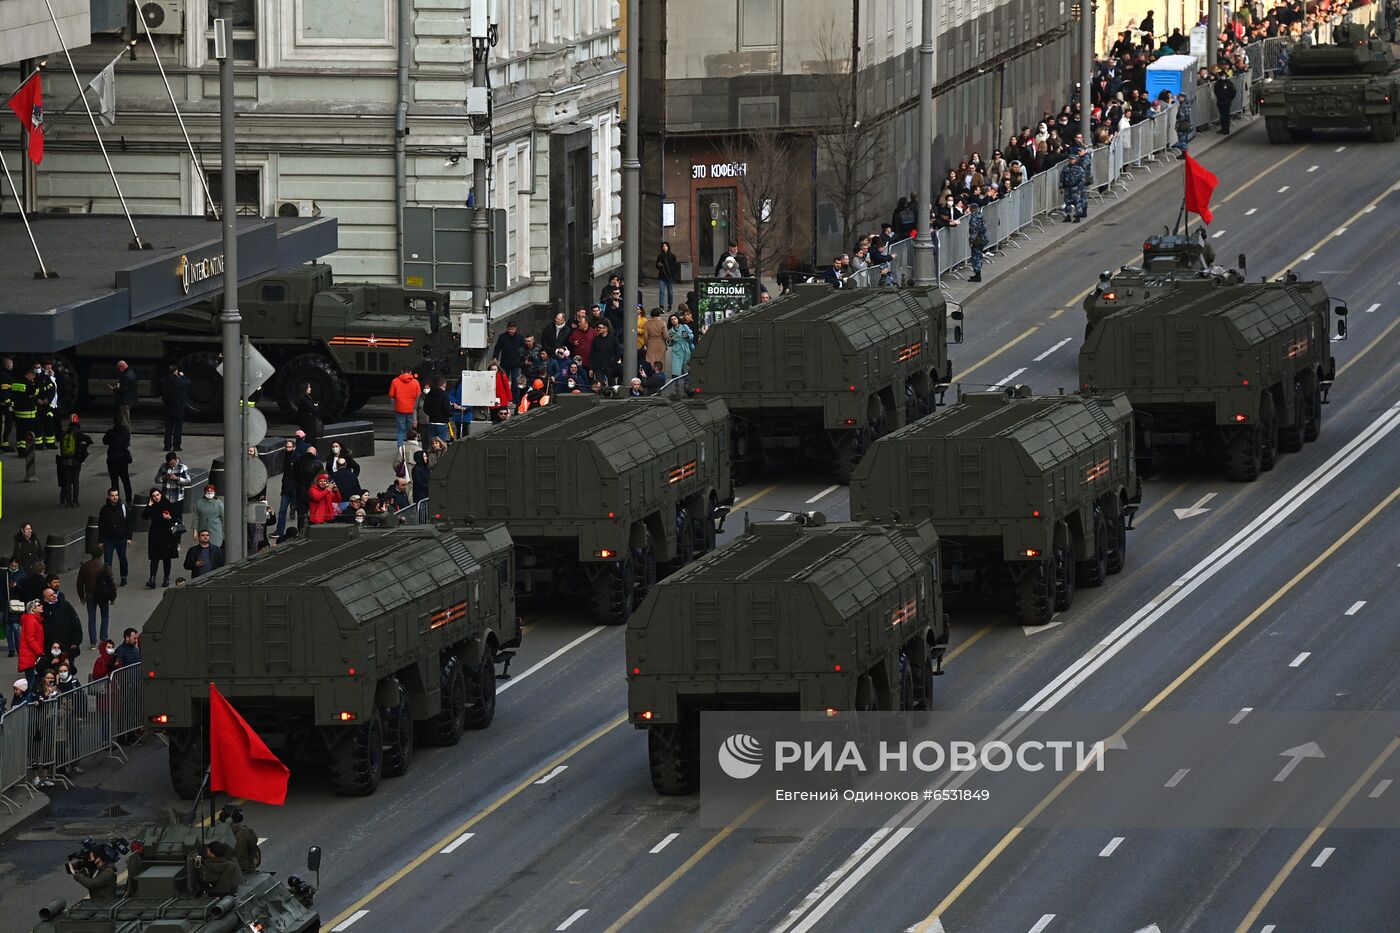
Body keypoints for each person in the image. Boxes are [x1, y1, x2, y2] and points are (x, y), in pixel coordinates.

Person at [76, 548, 117, 648]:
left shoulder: (85, 566)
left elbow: (79, 583)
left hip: (90, 594)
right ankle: (103, 639)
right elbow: (111, 582)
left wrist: (81, 596)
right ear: (101, 554)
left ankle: (93, 642)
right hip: (103, 594)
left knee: (91, 617)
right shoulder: (105, 566)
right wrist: (113, 597)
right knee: (105, 616)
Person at [142, 489, 180, 588]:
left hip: (167, 534)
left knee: (167, 558)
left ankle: (166, 578)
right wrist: (149, 505)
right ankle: (152, 578)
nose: (156, 497)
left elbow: (177, 518)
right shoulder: (152, 506)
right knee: (155, 558)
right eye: (154, 496)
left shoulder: (167, 504)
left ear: (161, 494)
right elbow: (144, 516)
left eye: (157, 495)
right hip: (155, 534)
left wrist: (169, 518)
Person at [96, 488, 133, 588]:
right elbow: (101, 525)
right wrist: (100, 540)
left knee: (123, 559)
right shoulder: (104, 509)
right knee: (108, 561)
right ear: (108, 497)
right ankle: (108, 579)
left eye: (116, 495)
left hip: (121, 538)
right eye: (112, 495)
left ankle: (124, 577)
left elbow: (129, 523)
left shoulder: (123, 508)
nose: (114, 497)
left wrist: (129, 537)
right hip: (108, 539)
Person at [56, 417, 92, 508]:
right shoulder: (79, 435)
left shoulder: (64, 435)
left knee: (67, 481)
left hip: (65, 461)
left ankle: (68, 501)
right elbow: (90, 440)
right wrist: (84, 447)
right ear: (77, 428)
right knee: (76, 481)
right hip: (76, 461)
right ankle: (75, 501)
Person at [41, 586, 83, 662]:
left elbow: (76, 623)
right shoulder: (43, 610)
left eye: (54, 594)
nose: (54, 596)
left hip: (67, 645)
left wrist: (76, 641)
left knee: (69, 668)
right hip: (51, 648)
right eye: (51, 595)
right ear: (45, 598)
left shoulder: (65, 605)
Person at [219, 804, 261, 872]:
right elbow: (253, 843)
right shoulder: (245, 831)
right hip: (243, 867)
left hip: (223, 867)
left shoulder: (217, 831)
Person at [388, 365, 421, 449]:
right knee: (410, 431)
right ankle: (411, 449)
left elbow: (391, 395)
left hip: (399, 409)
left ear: (402, 371)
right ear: (410, 372)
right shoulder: (415, 382)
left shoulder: (395, 381)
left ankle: (400, 450)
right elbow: (419, 395)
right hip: (412, 410)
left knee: (400, 431)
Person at [101, 419, 133, 505]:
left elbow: (104, 441)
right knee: (126, 479)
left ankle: (115, 500)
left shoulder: (111, 433)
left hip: (113, 458)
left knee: (114, 481)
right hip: (123, 458)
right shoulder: (126, 432)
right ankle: (129, 500)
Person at [160, 363, 190, 451]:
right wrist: (182, 376)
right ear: (175, 371)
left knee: (168, 428)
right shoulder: (178, 381)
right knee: (177, 428)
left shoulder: (163, 380)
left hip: (168, 406)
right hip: (178, 407)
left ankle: (167, 446)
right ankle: (176, 446)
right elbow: (188, 382)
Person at [275, 439, 300, 541]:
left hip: (293, 488)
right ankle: (279, 531)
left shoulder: (296, 458)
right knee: (282, 511)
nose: (288, 449)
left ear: (294, 447)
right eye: (287, 447)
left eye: (290, 447)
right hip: (286, 488)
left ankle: (298, 530)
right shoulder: (285, 457)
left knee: (295, 509)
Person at [154, 452, 191, 522]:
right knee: (165, 518)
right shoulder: (163, 466)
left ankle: (177, 532)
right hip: (165, 498)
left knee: (177, 519)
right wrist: (164, 477)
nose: (170, 465)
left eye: (172, 463)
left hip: (177, 498)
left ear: (175, 459)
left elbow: (188, 481)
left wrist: (176, 478)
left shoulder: (183, 467)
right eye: (169, 464)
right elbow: (156, 479)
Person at [18, 600, 45, 689]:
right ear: (33, 609)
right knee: (31, 682)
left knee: (32, 680)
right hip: (30, 655)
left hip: (31, 655)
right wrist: (40, 652)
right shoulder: (31, 620)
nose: (41, 606)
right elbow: (30, 639)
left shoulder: (35, 619)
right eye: (39, 605)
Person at [589, 320, 623, 388]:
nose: (598, 329)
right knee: (599, 384)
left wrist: (614, 363)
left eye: (600, 327)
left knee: (612, 384)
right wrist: (591, 368)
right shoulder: (596, 339)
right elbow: (592, 354)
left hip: (610, 366)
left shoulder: (613, 339)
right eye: (598, 327)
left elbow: (617, 353)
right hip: (598, 366)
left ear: (606, 328)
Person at [191, 484, 225, 550]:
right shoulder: (200, 503)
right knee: (204, 547)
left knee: (215, 548)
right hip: (203, 529)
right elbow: (196, 517)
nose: (209, 493)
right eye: (208, 492)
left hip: (216, 531)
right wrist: (195, 530)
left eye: (211, 492)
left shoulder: (219, 504)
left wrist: (224, 531)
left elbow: (223, 518)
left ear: (214, 492)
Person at [4, 556, 26, 657]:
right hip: (6, 603)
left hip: (17, 603)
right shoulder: (4, 574)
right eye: (12, 565)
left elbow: (24, 589)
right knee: (8, 628)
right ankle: (11, 648)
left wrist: (16, 585)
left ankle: (18, 647)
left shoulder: (22, 575)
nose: (13, 567)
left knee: (16, 627)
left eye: (15, 566)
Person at [422, 376, 452, 444]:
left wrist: (431, 414)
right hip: (442, 422)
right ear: (444, 384)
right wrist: (451, 410)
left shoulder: (429, 394)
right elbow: (447, 409)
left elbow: (425, 408)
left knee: (432, 444)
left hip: (432, 422)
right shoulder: (444, 395)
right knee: (441, 444)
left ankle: (432, 454)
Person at [1059, 151, 1087, 222]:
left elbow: (1082, 179)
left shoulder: (1079, 168)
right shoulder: (1065, 168)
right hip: (1067, 187)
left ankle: (1078, 216)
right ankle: (1068, 215)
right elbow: (1062, 178)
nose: (1071, 160)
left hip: (1075, 187)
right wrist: (1061, 187)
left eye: (1073, 159)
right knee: (1067, 202)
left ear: (1075, 160)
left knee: (1077, 202)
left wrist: (1079, 188)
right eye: (1070, 159)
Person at [109, 360, 138, 427]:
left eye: (119, 368)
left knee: (125, 421)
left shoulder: (125, 376)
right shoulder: (132, 373)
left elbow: (123, 390)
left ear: (121, 367)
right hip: (130, 399)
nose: (119, 370)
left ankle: (126, 435)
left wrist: (115, 389)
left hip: (125, 400)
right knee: (126, 419)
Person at [966, 201, 989, 282]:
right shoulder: (981, 216)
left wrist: (971, 241)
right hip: (982, 239)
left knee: (976, 257)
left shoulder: (974, 218)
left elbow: (974, 231)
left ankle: (977, 274)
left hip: (977, 240)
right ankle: (977, 274)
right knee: (979, 256)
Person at [654, 242, 680, 310]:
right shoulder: (660, 256)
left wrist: (673, 276)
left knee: (670, 292)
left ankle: (670, 305)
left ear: (668, 247)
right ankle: (661, 306)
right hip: (662, 277)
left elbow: (675, 267)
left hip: (669, 277)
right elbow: (657, 266)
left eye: (666, 246)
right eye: (663, 246)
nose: (664, 247)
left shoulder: (672, 256)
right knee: (661, 292)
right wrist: (659, 265)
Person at [1213, 70, 1237, 134]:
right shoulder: (1217, 84)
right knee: (1222, 116)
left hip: (1227, 102)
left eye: (1224, 76)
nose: (1223, 77)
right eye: (1221, 76)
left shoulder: (1229, 83)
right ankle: (1223, 128)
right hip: (1220, 102)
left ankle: (1226, 129)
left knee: (1226, 116)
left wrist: (1230, 99)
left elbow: (1233, 92)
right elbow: (1216, 92)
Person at [644, 308, 668, 372]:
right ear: (659, 314)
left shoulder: (647, 323)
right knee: (660, 360)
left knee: (650, 359)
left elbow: (645, 336)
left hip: (651, 343)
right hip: (661, 343)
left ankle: (651, 373)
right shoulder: (663, 323)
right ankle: (659, 374)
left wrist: (646, 344)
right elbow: (665, 336)